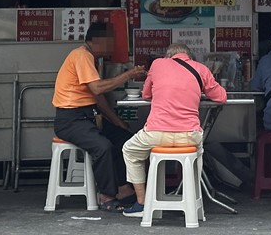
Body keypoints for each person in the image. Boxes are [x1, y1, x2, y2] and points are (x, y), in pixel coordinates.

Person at [120, 44, 227, 217]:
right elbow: (221, 97)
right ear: (189, 57)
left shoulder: (157, 64)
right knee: (197, 155)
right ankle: (192, 201)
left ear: (168, 56)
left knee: (130, 150)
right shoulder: (201, 69)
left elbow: (146, 95)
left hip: (156, 134)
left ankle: (141, 204)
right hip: (189, 136)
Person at [52, 22, 145, 212]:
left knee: (125, 140)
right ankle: (107, 195)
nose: (111, 47)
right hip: (70, 119)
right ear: (97, 41)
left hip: (89, 116)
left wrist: (118, 122)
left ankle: (123, 188)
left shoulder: (92, 58)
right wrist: (130, 74)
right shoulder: (81, 55)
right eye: (109, 42)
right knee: (103, 147)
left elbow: (99, 99)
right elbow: (97, 88)